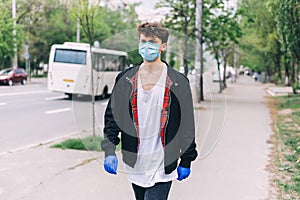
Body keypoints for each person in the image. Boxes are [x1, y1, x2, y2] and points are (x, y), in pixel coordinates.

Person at [101, 22, 198, 200]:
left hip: (163, 162)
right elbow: (113, 117)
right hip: (136, 161)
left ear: (163, 46)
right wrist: (109, 150)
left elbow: (187, 124)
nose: (147, 46)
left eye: (152, 42)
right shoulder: (126, 79)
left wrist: (186, 159)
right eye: (143, 41)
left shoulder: (177, 81)